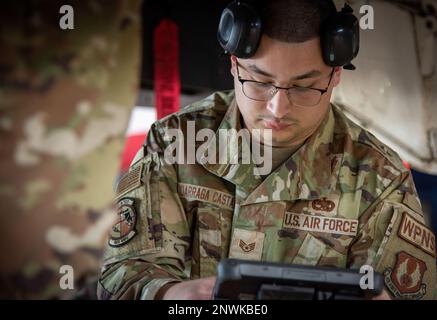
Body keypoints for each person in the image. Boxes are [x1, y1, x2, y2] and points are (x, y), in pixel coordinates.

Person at [97, 0, 436, 300]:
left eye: (304, 87)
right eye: (259, 82)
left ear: (335, 77)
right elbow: (121, 276)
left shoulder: (378, 177)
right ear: (234, 64)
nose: (278, 108)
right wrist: (172, 295)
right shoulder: (175, 143)